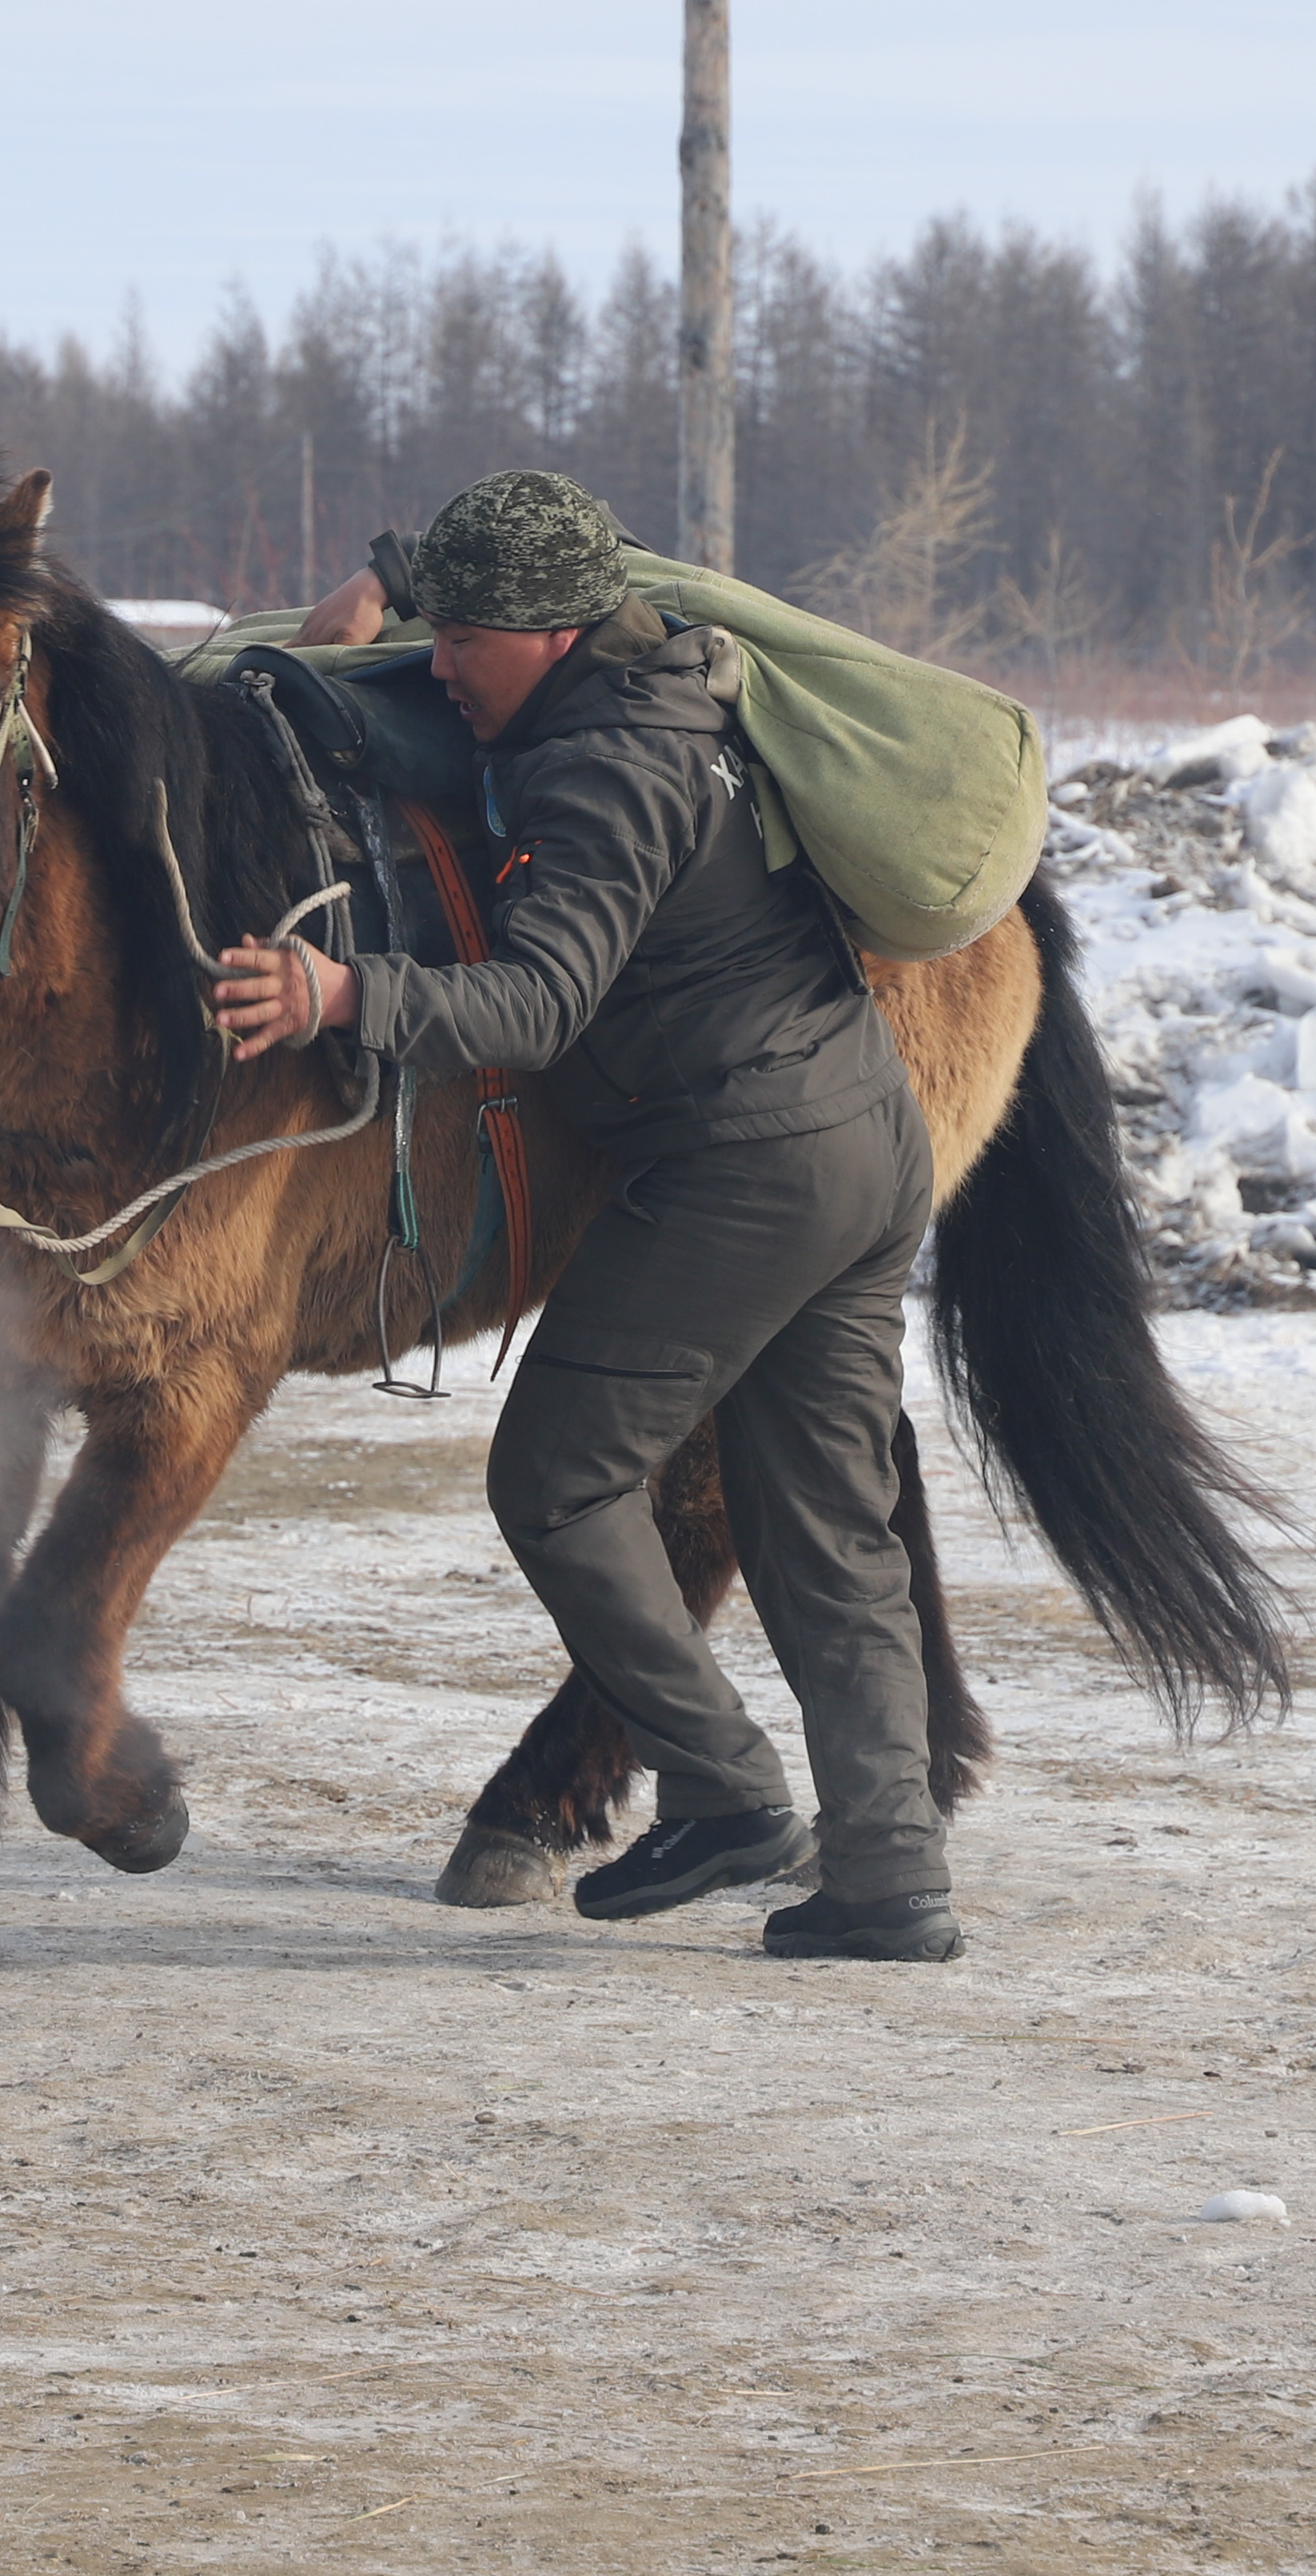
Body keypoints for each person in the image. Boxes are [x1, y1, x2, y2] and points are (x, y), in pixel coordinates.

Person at [210, 471, 963, 1964]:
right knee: (829, 1529)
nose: (439, 665)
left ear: (555, 636)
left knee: (557, 1479)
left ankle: (725, 1789)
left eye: (466, 638)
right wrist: (373, 602)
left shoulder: (611, 768)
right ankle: (890, 1884)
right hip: (860, 1142)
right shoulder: (657, 679)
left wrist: (343, 992)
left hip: (744, 1162)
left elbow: (541, 1002)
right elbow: (448, 635)